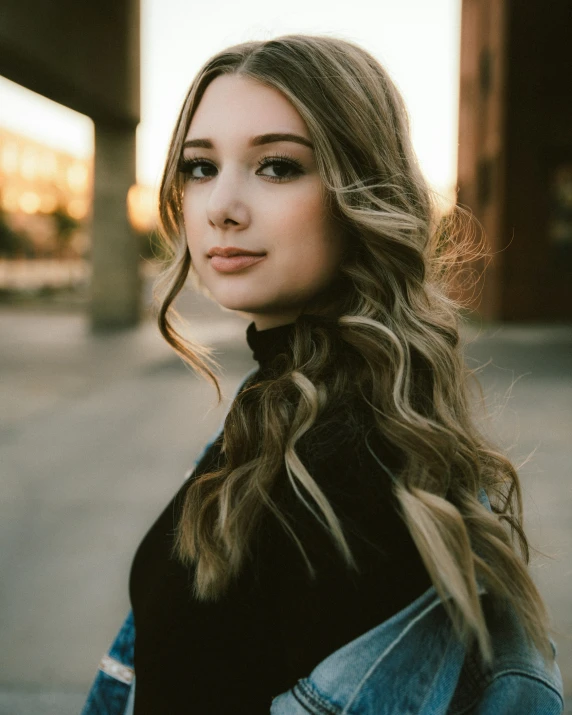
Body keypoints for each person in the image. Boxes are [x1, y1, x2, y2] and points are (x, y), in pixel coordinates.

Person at [81, 34, 563, 714]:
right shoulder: (284, 407)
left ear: (361, 190)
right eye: (199, 166)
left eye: (277, 166)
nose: (221, 204)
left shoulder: (347, 468)